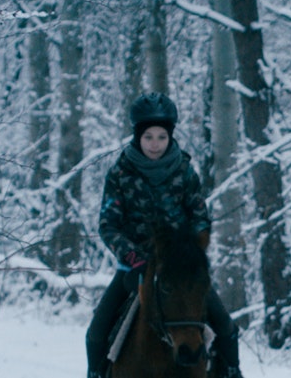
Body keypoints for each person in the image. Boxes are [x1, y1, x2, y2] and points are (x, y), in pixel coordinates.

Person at [85, 93, 244, 378]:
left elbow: (199, 216)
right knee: (96, 331)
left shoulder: (185, 172)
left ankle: (232, 371)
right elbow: (108, 224)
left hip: (180, 267)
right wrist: (133, 256)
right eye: (148, 137)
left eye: (161, 136)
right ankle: (96, 373)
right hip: (134, 266)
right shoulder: (120, 174)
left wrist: (189, 249)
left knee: (225, 326)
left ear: (170, 136)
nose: (155, 144)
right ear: (137, 137)